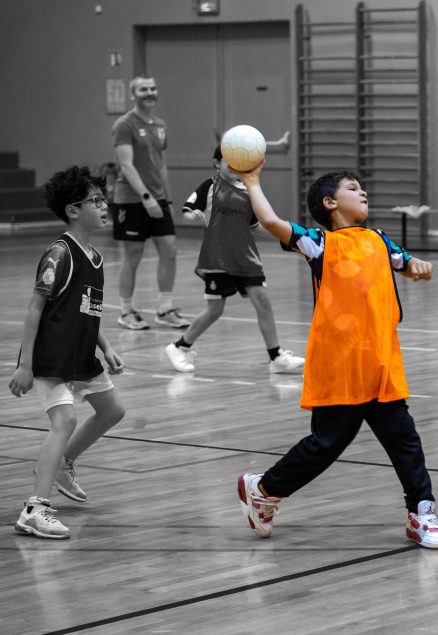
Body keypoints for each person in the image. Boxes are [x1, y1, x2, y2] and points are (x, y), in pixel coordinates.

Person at [233, 164, 438, 549]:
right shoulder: (319, 243)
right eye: (352, 188)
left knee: (405, 440)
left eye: (362, 188)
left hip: (381, 365)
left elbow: (406, 263)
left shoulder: (380, 239)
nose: (362, 192)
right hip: (339, 367)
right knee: (326, 444)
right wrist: (251, 181)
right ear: (330, 203)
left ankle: (422, 511)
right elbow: (270, 221)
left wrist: (418, 266)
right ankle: (264, 489)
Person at [9, 166, 126, 539]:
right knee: (65, 421)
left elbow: (87, 311)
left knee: (113, 411)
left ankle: (63, 464)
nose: (104, 205)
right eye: (96, 200)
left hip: (81, 354)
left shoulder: (96, 257)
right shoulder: (59, 253)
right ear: (73, 210)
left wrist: (106, 347)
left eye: (104, 199)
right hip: (51, 357)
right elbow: (34, 309)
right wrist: (25, 365)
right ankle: (34, 509)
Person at [163, 142, 304, 374]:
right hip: (218, 258)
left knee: (263, 301)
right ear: (216, 163)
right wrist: (193, 215)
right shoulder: (210, 186)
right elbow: (188, 210)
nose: (233, 166)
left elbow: (255, 225)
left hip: (246, 257)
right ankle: (179, 347)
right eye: (228, 161)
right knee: (215, 310)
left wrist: (284, 235)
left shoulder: (249, 191)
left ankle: (276, 357)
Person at [111, 75, 190, 330]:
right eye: (143, 89)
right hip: (131, 199)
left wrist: (167, 198)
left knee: (169, 251)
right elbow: (126, 165)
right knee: (132, 256)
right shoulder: (124, 125)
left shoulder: (160, 124)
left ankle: (165, 309)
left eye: (153, 88)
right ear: (133, 95)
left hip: (157, 199)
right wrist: (145, 197)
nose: (149, 92)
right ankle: (126, 311)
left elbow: (161, 164)